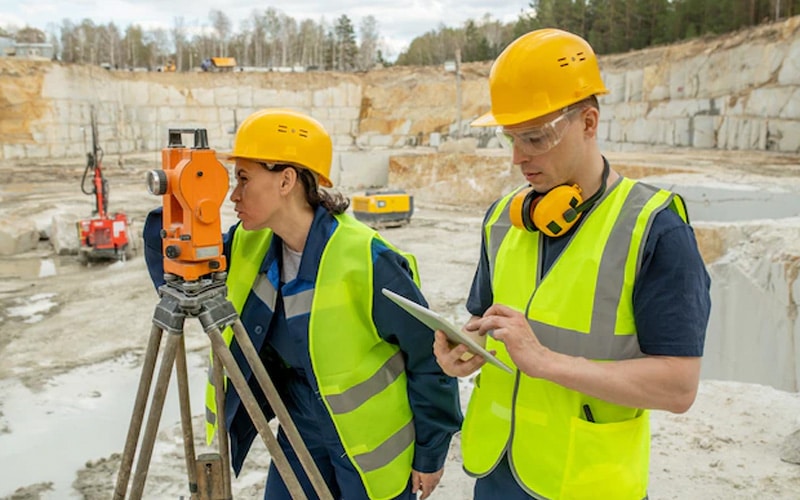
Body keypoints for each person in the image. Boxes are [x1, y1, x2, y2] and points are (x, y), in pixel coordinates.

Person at [432, 28, 711, 499]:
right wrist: (464, 349)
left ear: (588, 122)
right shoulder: (502, 220)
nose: (519, 157)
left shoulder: (655, 228)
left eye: (535, 137)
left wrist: (546, 362)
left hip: (586, 481)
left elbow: (677, 388)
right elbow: (485, 322)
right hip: (497, 471)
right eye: (510, 138)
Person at [143, 108, 463, 499]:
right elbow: (173, 262)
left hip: (368, 447)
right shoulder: (249, 244)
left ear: (286, 180)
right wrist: (182, 193)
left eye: (244, 178)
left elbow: (430, 359)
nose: (233, 195)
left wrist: (430, 455)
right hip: (299, 428)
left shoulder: (367, 260)